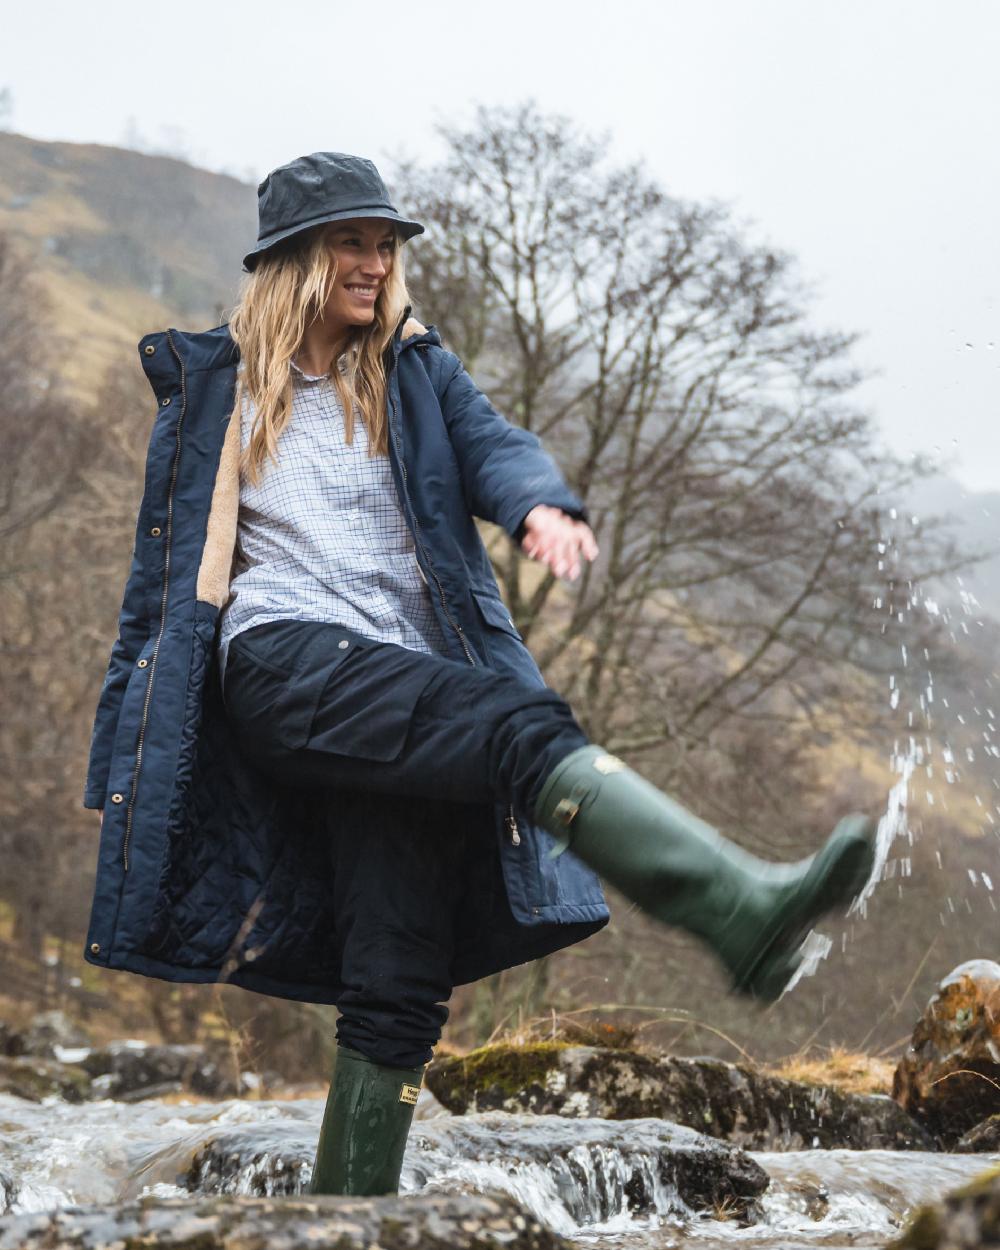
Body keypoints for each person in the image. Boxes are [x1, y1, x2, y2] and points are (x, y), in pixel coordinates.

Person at [83, 151, 877, 1199]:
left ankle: (342, 1220)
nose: (374, 262)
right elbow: (160, 588)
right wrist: (125, 746)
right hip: (284, 664)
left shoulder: (412, 370)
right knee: (515, 724)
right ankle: (735, 905)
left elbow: (495, 444)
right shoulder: (213, 387)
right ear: (290, 259)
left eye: (385, 244)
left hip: (395, 683)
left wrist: (539, 505)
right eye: (351, 242)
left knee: (399, 979)